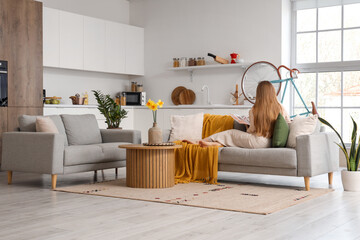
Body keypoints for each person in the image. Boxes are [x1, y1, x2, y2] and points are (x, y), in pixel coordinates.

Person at [192, 81, 290, 148]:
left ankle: (199, 141)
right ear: (272, 92)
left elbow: (252, 131)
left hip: (257, 142)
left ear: (259, 94)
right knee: (232, 139)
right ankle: (215, 144)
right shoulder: (280, 107)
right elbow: (287, 123)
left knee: (230, 133)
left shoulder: (254, 110)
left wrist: (246, 126)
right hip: (269, 142)